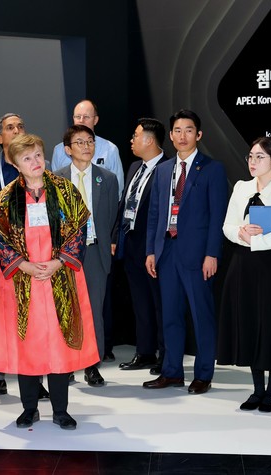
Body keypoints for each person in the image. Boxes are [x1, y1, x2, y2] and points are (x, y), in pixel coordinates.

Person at [0, 134, 99, 430]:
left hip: (59, 276)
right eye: (26, 158)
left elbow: (79, 228)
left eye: (37, 155)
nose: (34, 162)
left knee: (58, 344)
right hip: (21, 281)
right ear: (15, 164)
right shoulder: (6, 197)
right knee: (27, 344)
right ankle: (29, 408)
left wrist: (58, 262)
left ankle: (60, 410)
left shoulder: (65, 190)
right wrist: (23, 265)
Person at [218, 137, 271, 412]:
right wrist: (241, 233)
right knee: (249, 322)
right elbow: (228, 226)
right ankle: (257, 389)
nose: (253, 162)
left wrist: (256, 241)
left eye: (260, 157)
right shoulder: (241, 187)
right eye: (251, 156)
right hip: (243, 263)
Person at [143, 109, 228, 394]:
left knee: (201, 316)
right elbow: (154, 214)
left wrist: (212, 254)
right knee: (170, 316)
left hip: (198, 255)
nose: (183, 136)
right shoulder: (163, 170)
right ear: (170, 135)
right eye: (177, 131)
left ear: (198, 135)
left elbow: (217, 216)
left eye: (189, 130)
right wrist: (151, 251)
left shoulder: (212, 169)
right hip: (167, 251)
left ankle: (203, 374)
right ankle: (172, 372)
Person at [0, 113, 49, 400]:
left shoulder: (38, 164)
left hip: (33, 256)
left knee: (34, 319)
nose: (17, 130)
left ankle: (35, 378)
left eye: (20, 126)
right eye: (10, 127)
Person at [54, 125, 118, 386]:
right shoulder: (55, 179)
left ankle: (92, 365)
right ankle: (67, 364)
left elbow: (111, 217)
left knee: (93, 311)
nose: (86, 146)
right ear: (68, 149)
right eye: (79, 142)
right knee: (66, 310)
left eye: (90, 141)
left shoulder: (107, 178)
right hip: (64, 255)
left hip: (94, 251)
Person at [114, 118, 170, 373]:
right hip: (131, 243)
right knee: (140, 303)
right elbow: (125, 203)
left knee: (160, 303)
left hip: (154, 248)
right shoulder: (135, 167)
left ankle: (166, 355)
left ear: (149, 140)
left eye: (136, 136)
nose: (132, 140)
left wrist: (154, 249)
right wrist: (116, 236)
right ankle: (145, 351)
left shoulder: (168, 169)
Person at [51, 99, 125, 195]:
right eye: (78, 117)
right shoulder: (60, 150)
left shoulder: (110, 149)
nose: (81, 121)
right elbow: (54, 186)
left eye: (86, 117)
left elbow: (117, 188)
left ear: (95, 120)